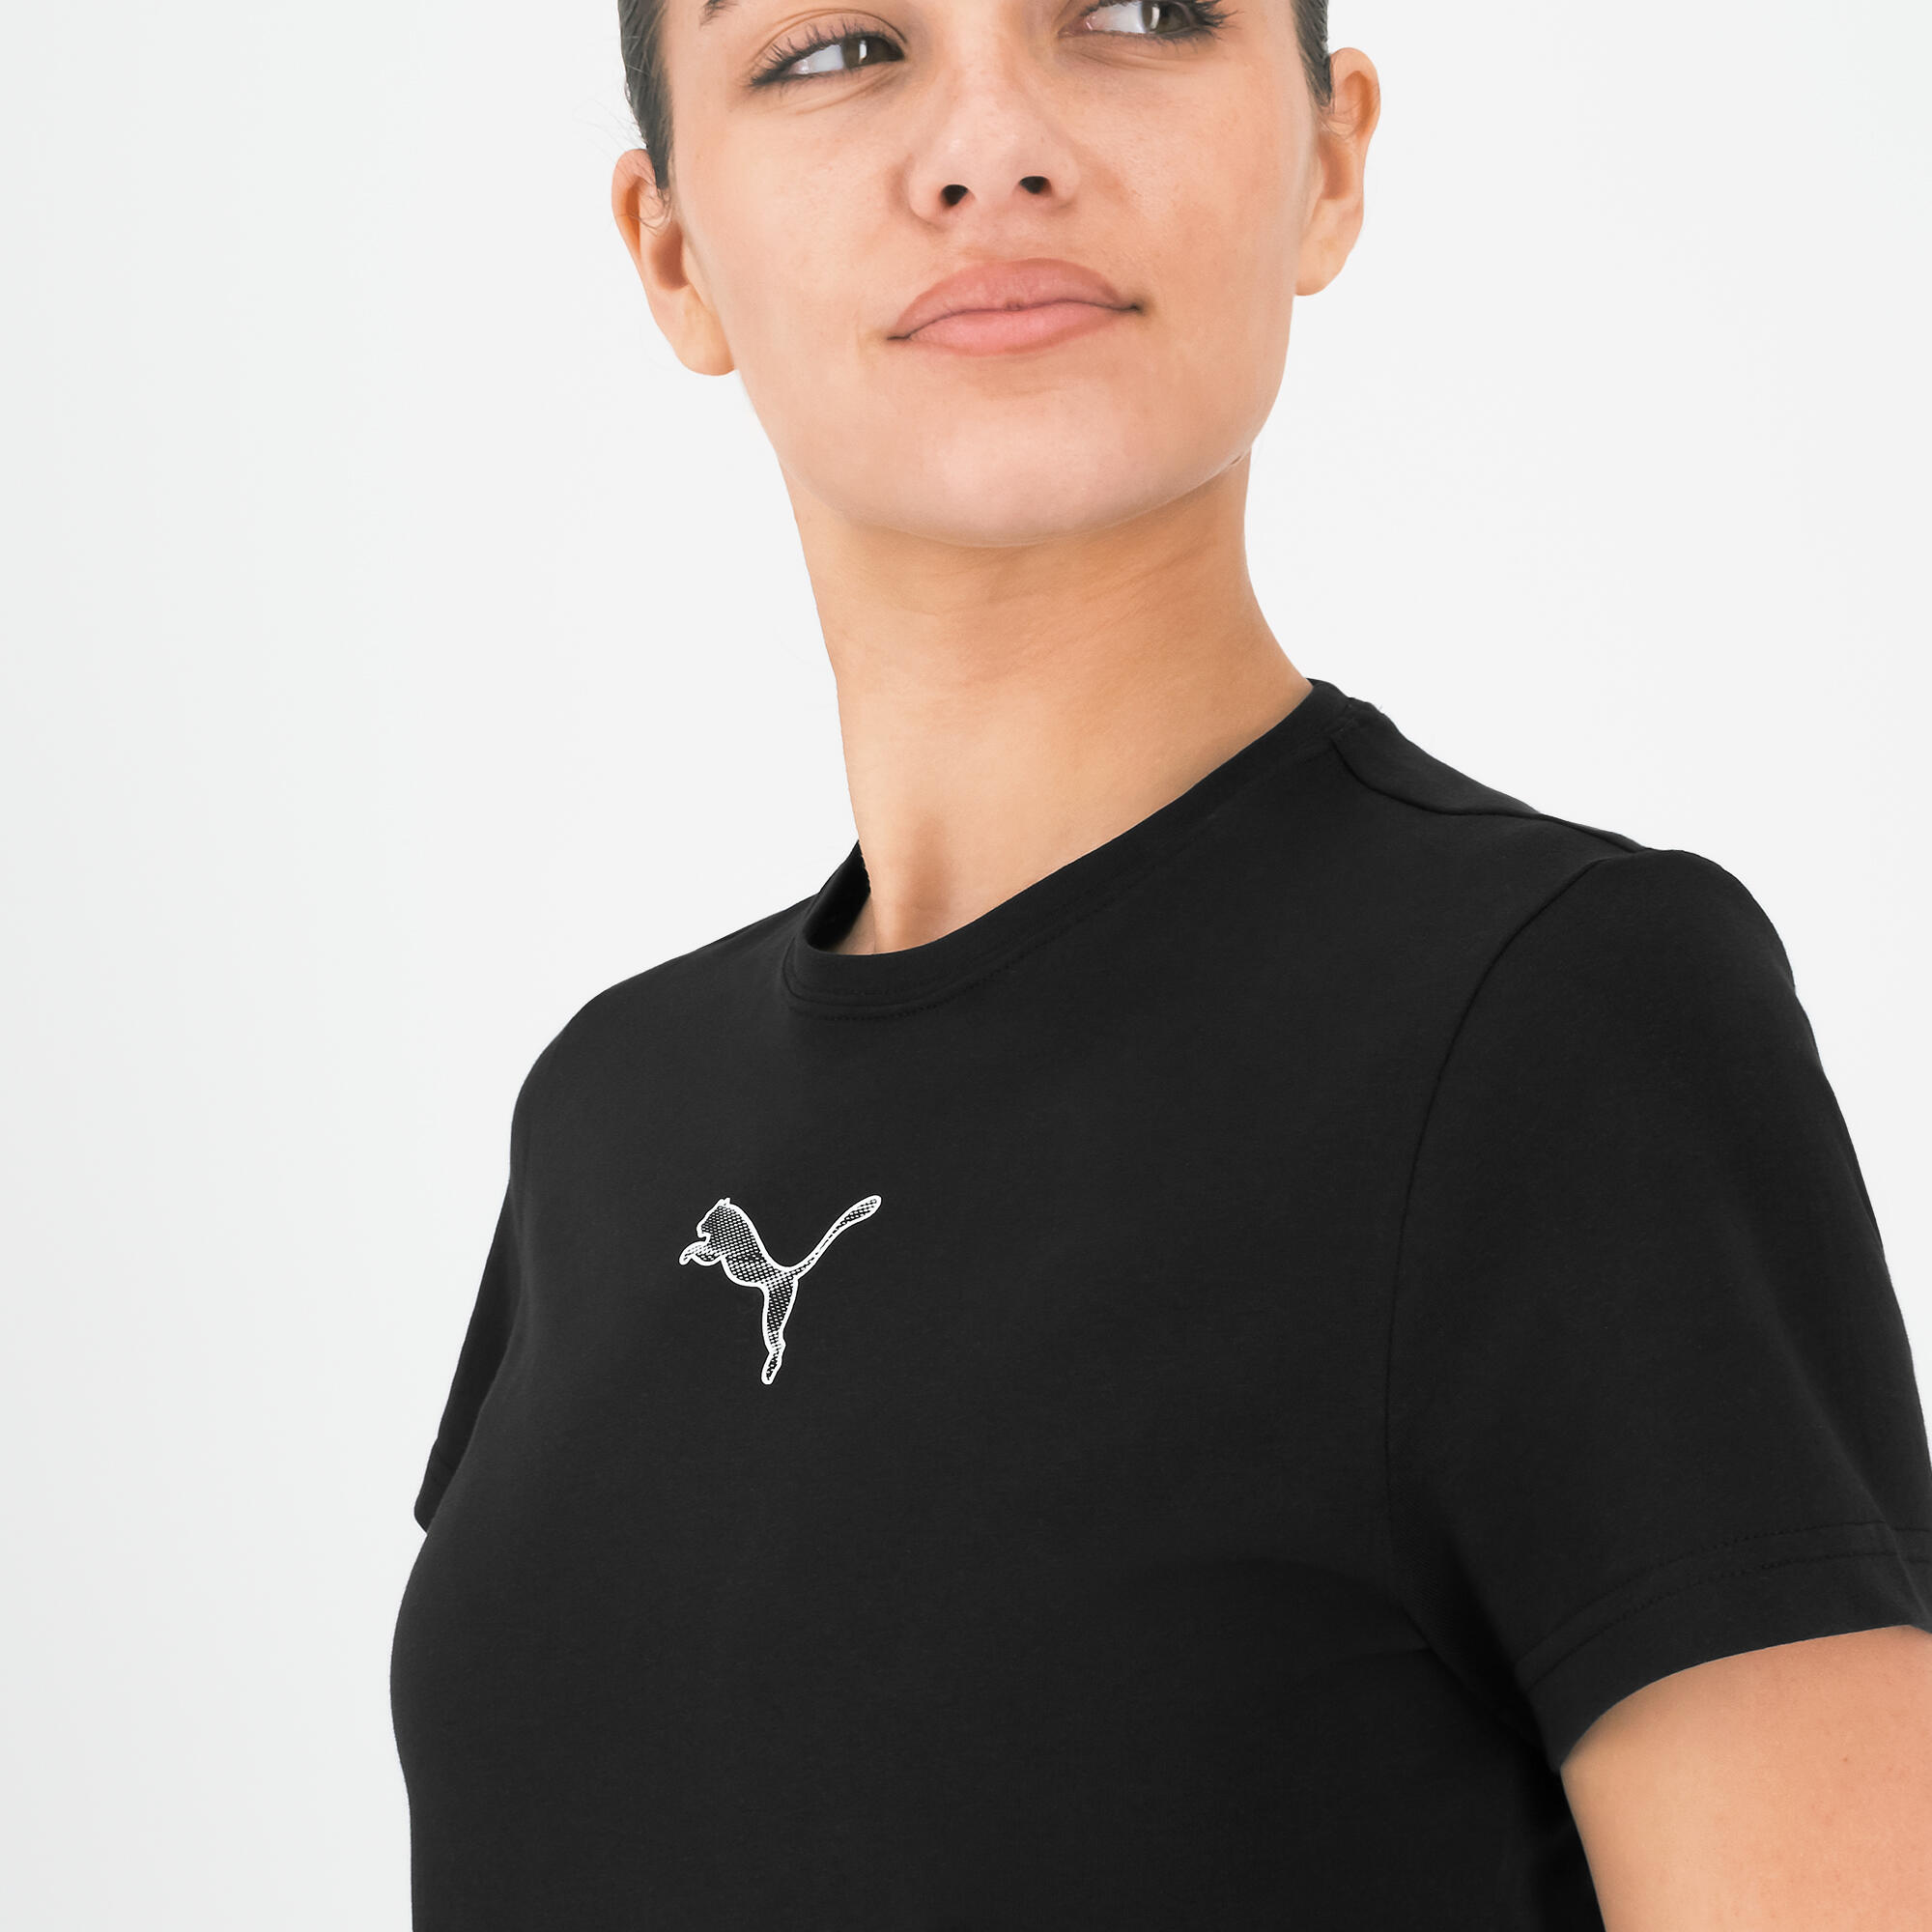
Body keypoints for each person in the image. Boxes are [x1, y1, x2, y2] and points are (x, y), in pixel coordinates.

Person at [389, 2, 1932, 1924]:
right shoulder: (610, 1116)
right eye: (835, 48)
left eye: (1138, 10)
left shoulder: (1561, 1025)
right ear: (673, 249)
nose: (992, 149)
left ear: (1330, 160)